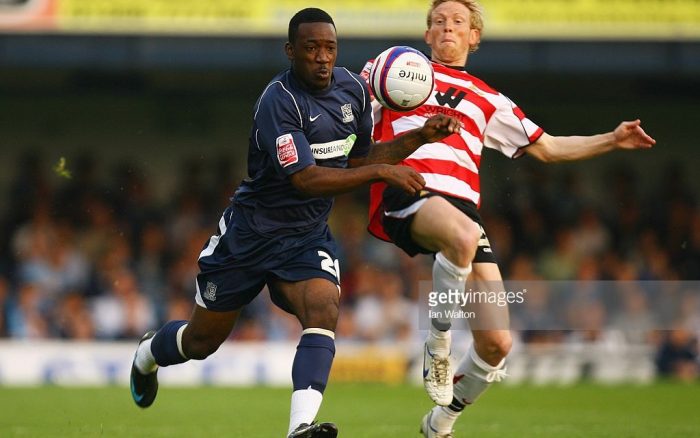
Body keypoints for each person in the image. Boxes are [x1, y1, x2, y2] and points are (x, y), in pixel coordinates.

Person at [128, 7, 461, 438]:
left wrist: (418, 138)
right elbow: (306, 180)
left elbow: (359, 159)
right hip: (249, 235)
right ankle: (146, 355)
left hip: (305, 237)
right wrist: (381, 174)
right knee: (199, 343)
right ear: (291, 51)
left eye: (330, 48)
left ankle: (299, 427)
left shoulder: (354, 92)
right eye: (311, 48)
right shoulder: (278, 102)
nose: (322, 57)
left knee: (323, 308)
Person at [360, 1, 656, 437]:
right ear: (426, 35)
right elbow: (342, 103)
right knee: (461, 236)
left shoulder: (488, 98)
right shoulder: (392, 68)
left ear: (474, 37)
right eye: (438, 21)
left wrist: (611, 139)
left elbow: (549, 148)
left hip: (463, 206)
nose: (447, 27)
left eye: (458, 22)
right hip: (409, 187)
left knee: (497, 343)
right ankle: (438, 344)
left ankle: (440, 423)